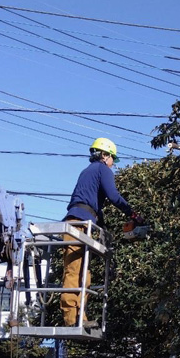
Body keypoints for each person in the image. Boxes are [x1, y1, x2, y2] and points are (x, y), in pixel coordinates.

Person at [62, 137, 136, 328]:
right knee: (74, 271)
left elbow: (93, 206)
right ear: (104, 155)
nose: (113, 163)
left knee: (83, 274)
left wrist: (103, 227)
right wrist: (132, 213)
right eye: (112, 159)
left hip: (82, 221)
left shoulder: (87, 172)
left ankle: (80, 318)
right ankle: (72, 319)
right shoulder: (102, 169)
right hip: (78, 224)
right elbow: (114, 196)